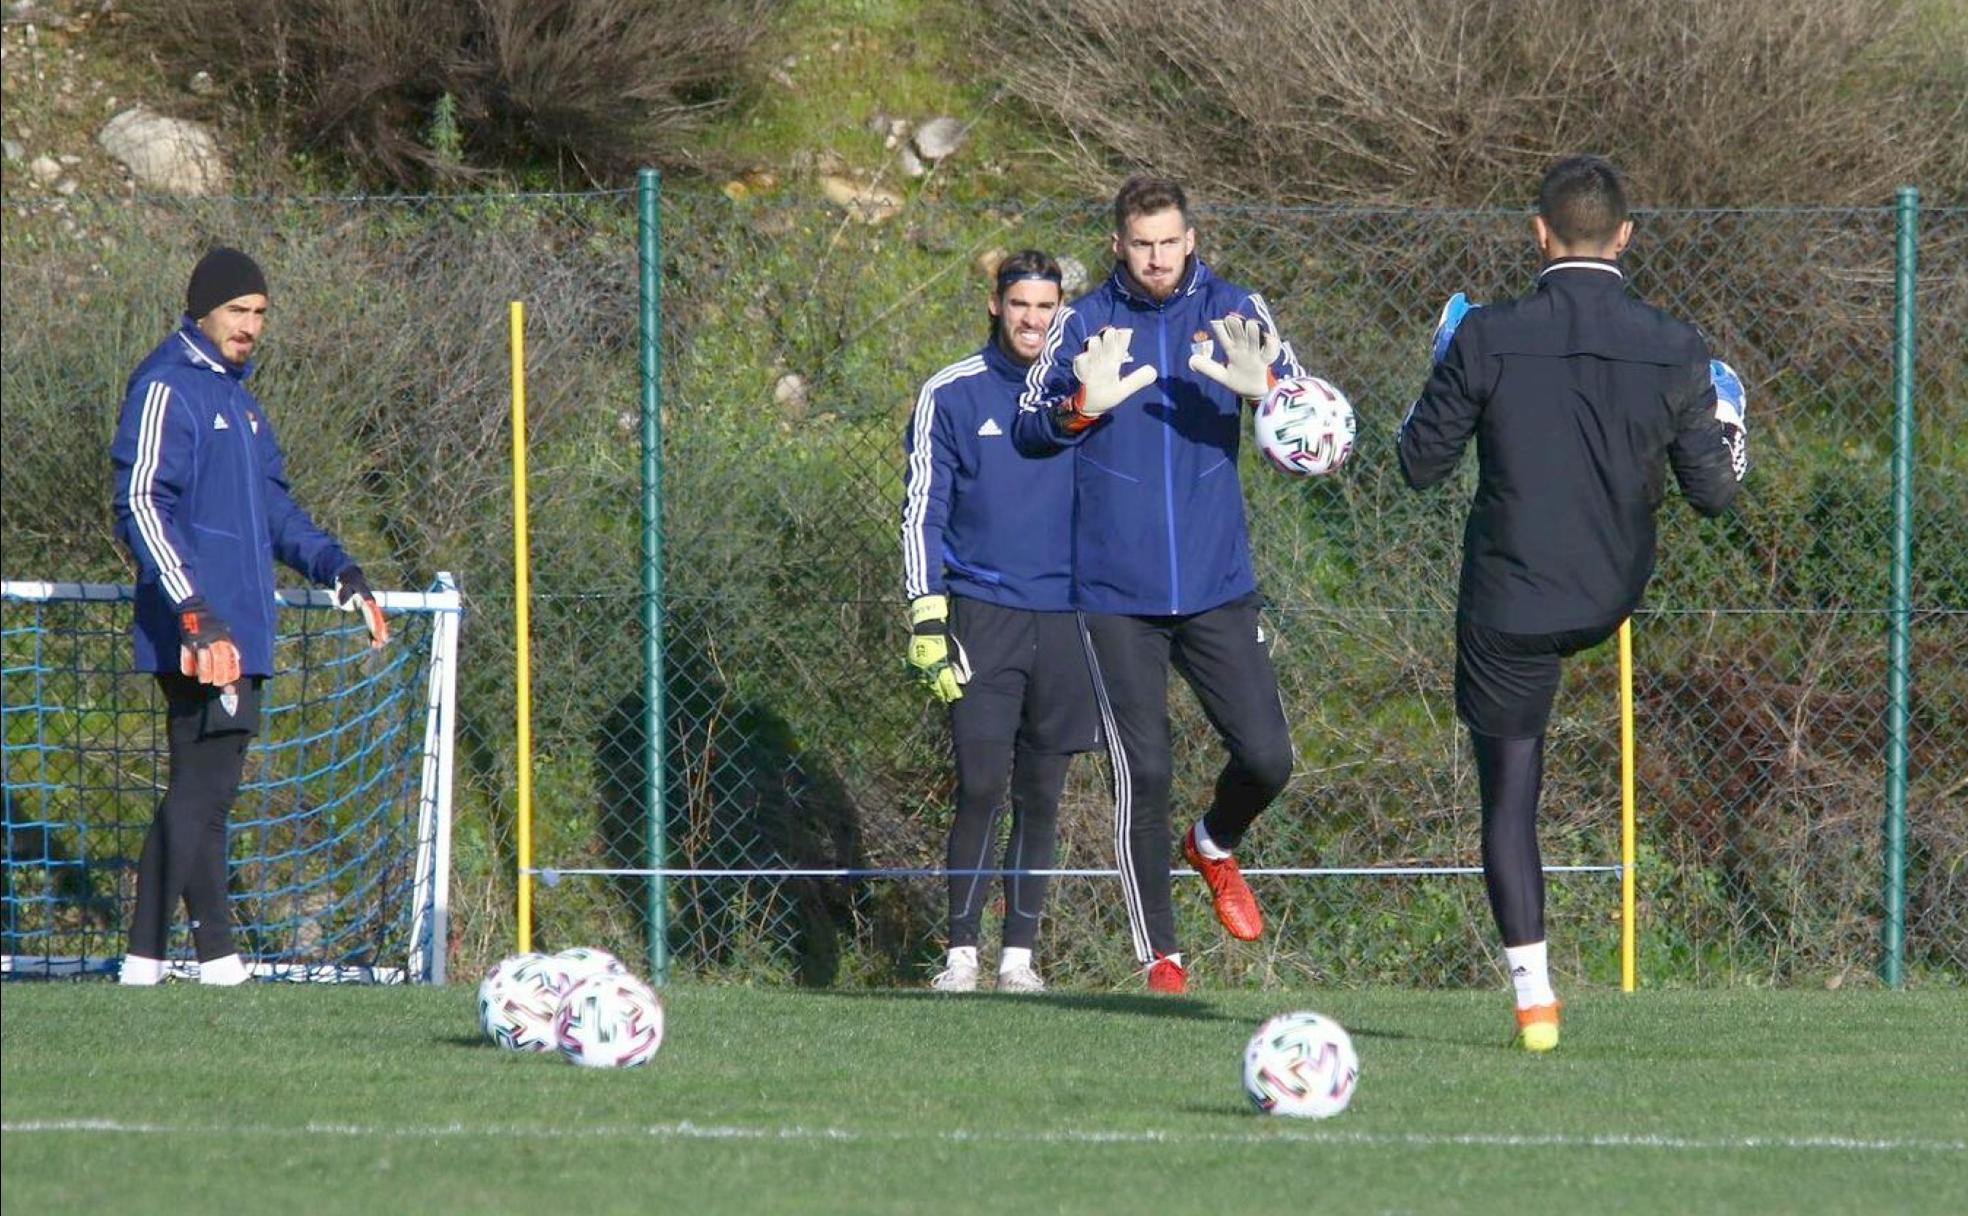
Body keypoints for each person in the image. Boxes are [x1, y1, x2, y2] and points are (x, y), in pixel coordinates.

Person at [1397, 155, 1746, 1049]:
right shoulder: (1676, 343)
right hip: (1610, 592)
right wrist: (1726, 423)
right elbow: (1713, 493)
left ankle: (1535, 1001)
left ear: (1539, 233)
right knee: (1536, 724)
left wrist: (1444, 361)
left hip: (1512, 598)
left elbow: (1418, 464)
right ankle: (1541, 1001)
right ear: (1624, 236)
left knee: (1511, 796)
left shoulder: (1486, 335)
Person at [1013, 177, 1308, 993]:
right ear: (1118, 244)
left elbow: (1313, 428)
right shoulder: (1083, 322)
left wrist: (1270, 395)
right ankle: (1163, 962)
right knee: (1143, 772)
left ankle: (1213, 844)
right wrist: (1080, 406)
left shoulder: (1239, 308)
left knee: (1269, 758)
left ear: (1191, 237)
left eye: (1169, 241)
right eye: (1141, 244)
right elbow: (1032, 429)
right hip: (1113, 596)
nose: (1156, 258)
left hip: (1217, 585)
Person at [111, 247, 389, 986]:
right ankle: (142, 959)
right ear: (202, 309)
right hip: (203, 626)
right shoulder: (168, 384)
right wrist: (194, 610)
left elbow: (276, 510)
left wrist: (340, 571)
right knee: (203, 789)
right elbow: (141, 501)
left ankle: (219, 960)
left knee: (210, 791)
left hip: (239, 623)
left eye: (261, 313)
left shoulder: (240, 400)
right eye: (239, 310)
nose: (251, 326)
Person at [901, 249, 1101, 994]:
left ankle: (1020, 958)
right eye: (1020, 304)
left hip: (1069, 618)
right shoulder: (950, 394)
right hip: (980, 614)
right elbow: (924, 509)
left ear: (1062, 314)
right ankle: (961, 953)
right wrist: (927, 614)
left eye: (1046, 307)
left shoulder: (1087, 395)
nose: (1032, 319)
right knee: (981, 782)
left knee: (1042, 793)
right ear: (995, 303)